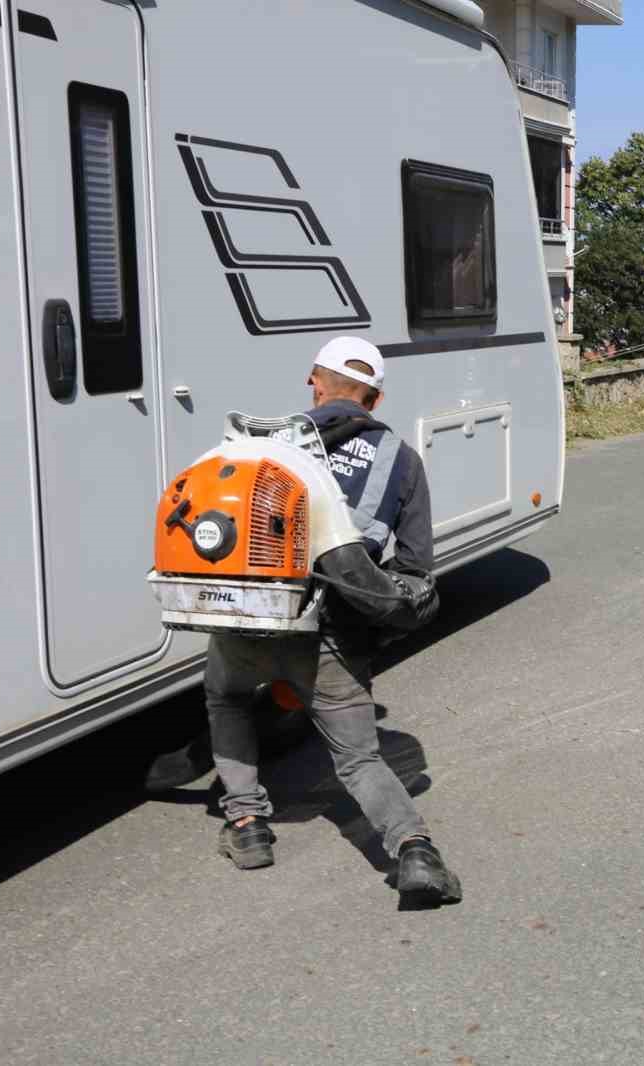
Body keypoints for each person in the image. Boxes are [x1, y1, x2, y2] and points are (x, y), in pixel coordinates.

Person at [203, 336, 461, 902]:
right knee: (359, 758)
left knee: (227, 699)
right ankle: (415, 851)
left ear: (313, 384)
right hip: (332, 635)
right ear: (375, 399)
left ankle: (247, 826)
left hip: (250, 620)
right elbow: (415, 570)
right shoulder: (402, 460)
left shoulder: (262, 446)